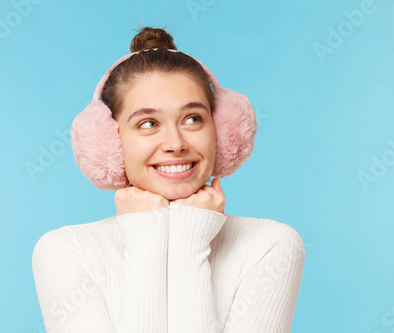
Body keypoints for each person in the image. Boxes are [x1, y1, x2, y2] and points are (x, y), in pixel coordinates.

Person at [32, 26, 305, 333]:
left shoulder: (270, 244)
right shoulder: (65, 251)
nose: (175, 143)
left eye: (193, 119)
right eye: (148, 123)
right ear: (109, 140)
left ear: (221, 131)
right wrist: (146, 235)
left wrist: (191, 236)